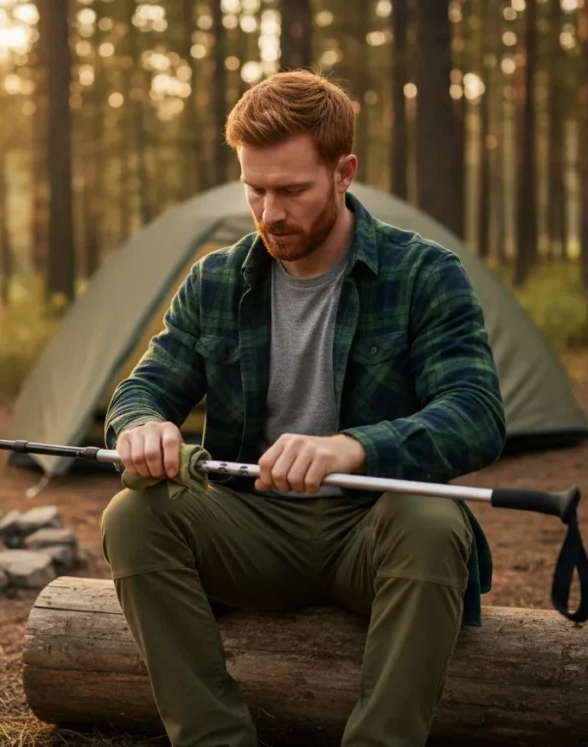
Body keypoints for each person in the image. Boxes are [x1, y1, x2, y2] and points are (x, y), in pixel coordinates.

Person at [99, 70, 506, 747]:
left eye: (291, 190)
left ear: (344, 173)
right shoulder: (215, 281)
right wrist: (141, 426)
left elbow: (476, 412)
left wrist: (354, 446)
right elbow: (142, 390)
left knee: (432, 518)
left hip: (371, 529)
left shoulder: (423, 273)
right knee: (134, 516)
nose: (270, 212)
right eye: (254, 190)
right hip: (250, 529)